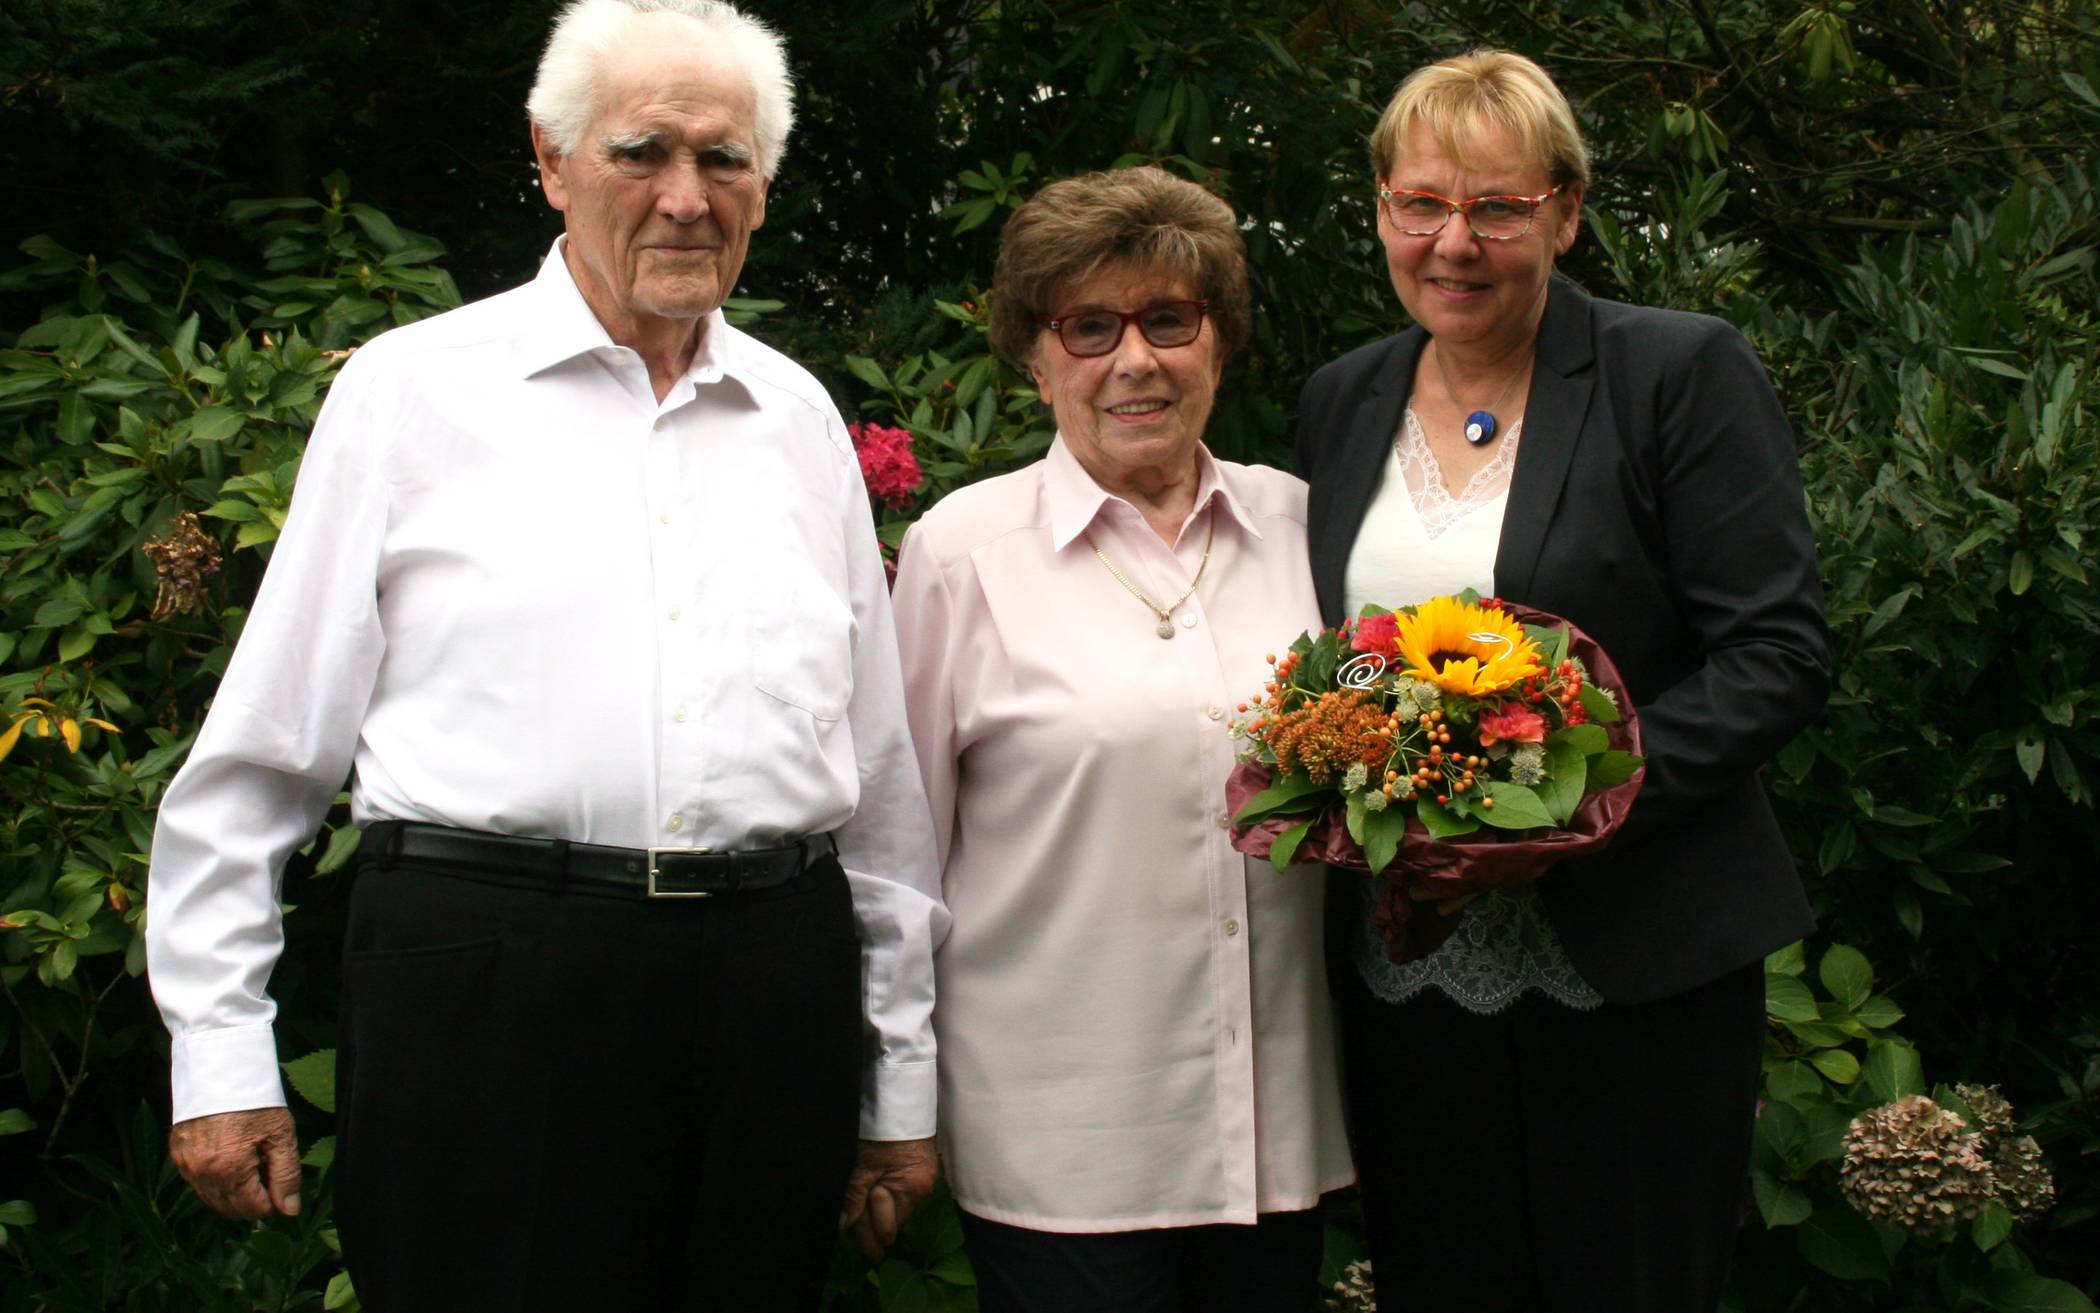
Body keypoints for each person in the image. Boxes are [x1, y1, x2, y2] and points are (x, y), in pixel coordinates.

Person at [143, 2, 947, 1307]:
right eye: (643, 152)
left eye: (724, 160)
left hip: (768, 1001)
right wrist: (223, 1060)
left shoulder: (798, 420)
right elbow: (260, 766)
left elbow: (883, 790)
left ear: (764, 183)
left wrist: (894, 1081)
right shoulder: (411, 397)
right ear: (552, 159)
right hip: (489, 996)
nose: (687, 199)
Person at [1295, 50, 1831, 1312]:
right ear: (1380, 206)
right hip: (1408, 969)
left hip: (1637, 962)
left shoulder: (1675, 374)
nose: (1454, 243)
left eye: (1499, 207)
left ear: (1567, 212)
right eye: (1421, 203)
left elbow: (1777, 652)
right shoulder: (1342, 401)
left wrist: (1565, 817)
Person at [890, 166, 1354, 1313]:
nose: (1134, 360)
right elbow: (896, 855)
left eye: (1169, 320)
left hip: (1277, 1134)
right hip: (1064, 1144)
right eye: (1089, 327)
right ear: (1035, 355)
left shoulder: (1302, 529)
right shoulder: (964, 554)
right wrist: (893, 1101)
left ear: (1219, 342)